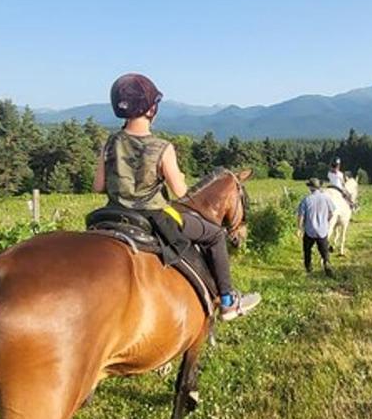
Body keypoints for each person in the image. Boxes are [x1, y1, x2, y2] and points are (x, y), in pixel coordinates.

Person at [93, 73, 261, 320]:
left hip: (113, 215)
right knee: (215, 235)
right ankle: (227, 300)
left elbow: (98, 186)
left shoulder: (110, 143)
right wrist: (177, 175)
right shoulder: (162, 147)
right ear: (151, 109)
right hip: (153, 217)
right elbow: (180, 192)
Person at [296, 177, 335, 276]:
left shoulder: (306, 200)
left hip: (310, 230)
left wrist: (299, 228)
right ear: (319, 187)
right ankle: (327, 263)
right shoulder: (326, 198)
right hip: (322, 230)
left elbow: (301, 216)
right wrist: (326, 221)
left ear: (310, 188)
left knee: (307, 249)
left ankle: (308, 267)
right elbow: (331, 213)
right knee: (324, 250)